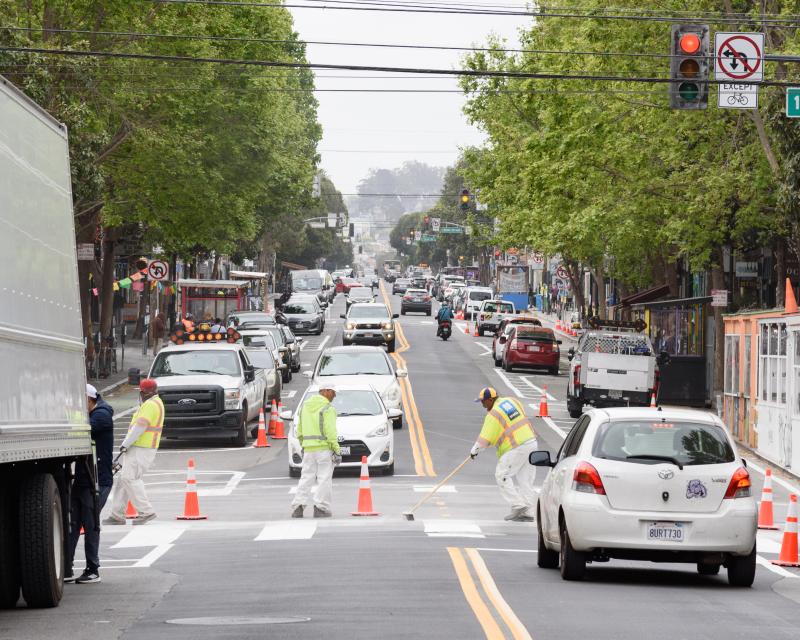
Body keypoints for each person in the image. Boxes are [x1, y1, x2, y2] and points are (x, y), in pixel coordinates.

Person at [65, 384, 115, 584]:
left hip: (97, 480)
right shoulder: (94, 413)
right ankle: (66, 566)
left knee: (90, 522)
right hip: (84, 478)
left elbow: (84, 433)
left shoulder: (101, 415)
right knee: (73, 523)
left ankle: (93, 569)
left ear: (89, 399)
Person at [469, 387, 538, 522]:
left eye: (483, 402)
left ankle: (518, 505)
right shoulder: (512, 401)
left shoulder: (494, 414)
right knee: (525, 479)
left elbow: (485, 438)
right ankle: (528, 512)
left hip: (517, 446)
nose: (483, 405)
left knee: (502, 475)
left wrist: (474, 451)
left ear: (490, 400)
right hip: (531, 442)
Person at [104, 378, 164, 526]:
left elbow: (140, 427)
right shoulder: (155, 403)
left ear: (143, 392)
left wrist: (125, 444)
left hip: (141, 447)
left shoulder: (150, 405)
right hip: (140, 447)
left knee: (130, 479)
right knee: (124, 480)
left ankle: (146, 511)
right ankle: (117, 514)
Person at [291, 383, 341, 519]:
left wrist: (303, 445)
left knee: (306, 477)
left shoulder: (305, 407)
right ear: (325, 391)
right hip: (324, 449)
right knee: (324, 478)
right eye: (333, 392)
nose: (334, 395)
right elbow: (330, 432)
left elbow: (299, 430)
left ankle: (298, 507)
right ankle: (321, 508)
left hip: (308, 449)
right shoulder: (328, 408)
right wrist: (336, 450)